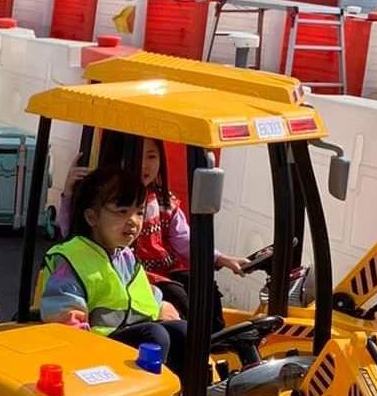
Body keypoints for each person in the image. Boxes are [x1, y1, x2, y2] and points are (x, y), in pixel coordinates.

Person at [61, 138, 245, 328]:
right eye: (123, 211)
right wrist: (69, 193)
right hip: (132, 276)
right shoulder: (104, 200)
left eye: (151, 157)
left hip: (164, 273)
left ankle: (215, 338)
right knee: (177, 296)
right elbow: (73, 231)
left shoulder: (165, 202)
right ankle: (188, 339)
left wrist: (221, 259)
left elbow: (185, 240)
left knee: (204, 285)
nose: (144, 165)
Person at [40, 166, 189, 374]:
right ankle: (148, 394)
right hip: (89, 348)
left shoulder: (126, 257)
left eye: (139, 212)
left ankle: (181, 391)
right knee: (154, 336)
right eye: (122, 212)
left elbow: (141, 296)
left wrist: (162, 307)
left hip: (122, 337)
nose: (134, 221)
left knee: (184, 331)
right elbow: (65, 315)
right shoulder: (71, 258)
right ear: (92, 218)